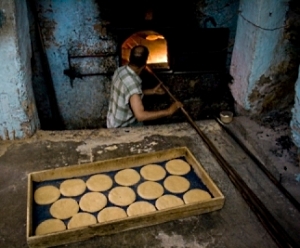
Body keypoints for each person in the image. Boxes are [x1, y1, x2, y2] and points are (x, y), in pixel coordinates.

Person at [107, 45, 183, 128]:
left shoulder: (120, 71)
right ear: (145, 63)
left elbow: (129, 94)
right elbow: (140, 116)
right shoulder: (133, 84)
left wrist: (152, 91)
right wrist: (169, 111)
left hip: (112, 122)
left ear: (130, 58)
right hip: (124, 127)